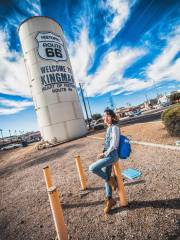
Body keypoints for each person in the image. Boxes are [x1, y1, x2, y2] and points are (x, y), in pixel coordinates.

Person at [89, 109, 120, 214]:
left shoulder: (115, 128)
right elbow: (107, 144)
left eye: (108, 115)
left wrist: (104, 154)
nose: (105, 118)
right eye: (104, 116)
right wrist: (102, 153)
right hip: (107, 155)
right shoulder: (108, 128)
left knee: (92, 168)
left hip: (112, 156)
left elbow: (114, 145)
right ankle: (109, 199)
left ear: (112, 117)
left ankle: (111, 180)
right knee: (106, 178)